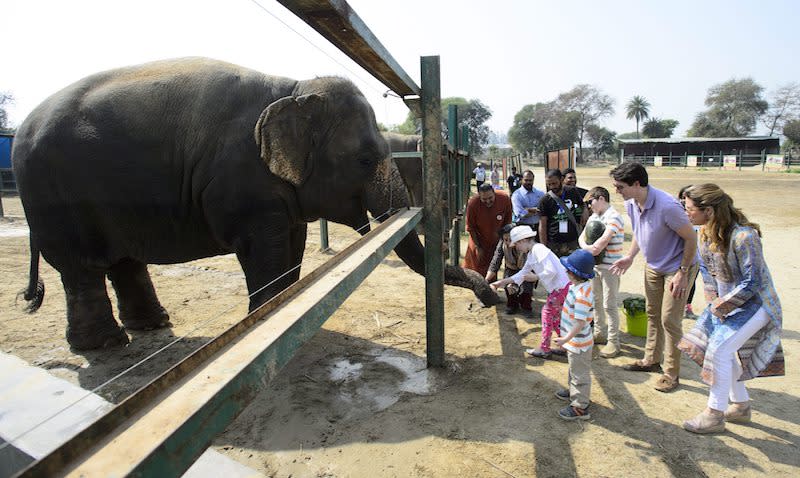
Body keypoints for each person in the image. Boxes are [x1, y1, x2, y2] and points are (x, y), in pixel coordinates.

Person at [678, 183, 784, 434]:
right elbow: (707, 272)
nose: (687, 213)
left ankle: (714, 414)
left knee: (719, 350)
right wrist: (713, 300)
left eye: (690, 209)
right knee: (723, 350)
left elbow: (753, 282)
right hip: (725, 305)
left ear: (710, 211)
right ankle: (741, 405)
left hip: (756, 305)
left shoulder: (745, 237)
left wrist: (722, 306)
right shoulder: (703, 233)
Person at [608, 162, 698, 393]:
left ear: (637, 184)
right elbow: (640, 232)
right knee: (652, 312)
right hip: (654, 266)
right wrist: (629, 256)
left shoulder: (668, 206)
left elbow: (691, 239)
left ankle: (671, 373)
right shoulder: (631, 203)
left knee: (669, 319)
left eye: (620, 187)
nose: (617, 191)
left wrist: (683, 272)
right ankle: (650, 360)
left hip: (677, 268)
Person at [489, 225, 571, 359]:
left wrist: (536, 277)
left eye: (516, 244)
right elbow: (521, 274)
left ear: (522, 241)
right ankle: (564, 345)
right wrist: (500, 283)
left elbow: (551, 271)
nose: (516, 247)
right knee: (554, 317)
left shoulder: (539, 249)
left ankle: (544, 348)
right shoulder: (532, 253)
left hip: (560, 287)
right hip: (559, 288)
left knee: (547, 313)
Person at [578, 186, 625, 358]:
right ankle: (600, 332)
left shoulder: (614, 217)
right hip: (596, 266)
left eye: (591, 202)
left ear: (601, 198)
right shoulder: (594, 217)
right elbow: (581, 238)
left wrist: (589, 249)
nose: (589, 206)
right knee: (596, 301)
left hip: (610, 268)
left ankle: (614, 341)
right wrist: (589, 248)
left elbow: (602, 243)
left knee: (609, 304)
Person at [553, 249, 596, 421]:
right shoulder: (577, 287)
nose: (565, 271)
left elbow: (580, 322)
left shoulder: (582, 295)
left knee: (580, 374)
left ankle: (580, 406)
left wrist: (565, 338)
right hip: (574, 343)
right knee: (574, 368)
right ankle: (573, 391)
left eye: (567, 269)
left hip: (579, 343)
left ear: (573, 273)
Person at [464, 183, 513, 277]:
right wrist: (478, 247)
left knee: (493, 265)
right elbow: (471, 228)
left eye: (490, 198)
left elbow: (508, 222)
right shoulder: (473, 203)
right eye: (484, 199)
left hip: (497, 240)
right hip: (479, 240)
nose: (488, 201)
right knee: (477, 267)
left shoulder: (504, 199)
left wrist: (504, 240)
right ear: (479, 196)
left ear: (494, 193)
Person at [486, 223, 535, 314]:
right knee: (508, 287)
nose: (509, 243)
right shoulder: (502, 245)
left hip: (526, 268)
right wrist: (486, 280)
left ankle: (526, 307)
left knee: (526, 288)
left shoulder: (527, 245)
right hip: (511, 268)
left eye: (511, 239)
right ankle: (512, 305)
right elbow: (495, 262)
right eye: (506, 240)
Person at [538, 169, 588, 257]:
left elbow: (582, 204)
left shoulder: (572, 191)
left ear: (561, 179)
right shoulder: (545, 200)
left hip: (573, 241)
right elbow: (542, 225)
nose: (552, 187)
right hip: (554, 243)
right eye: (549, 184)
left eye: (554, 183)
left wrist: (585, 212)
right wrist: (543, 247)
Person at [678, 185, 700, 319]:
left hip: (696, 257)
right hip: (680, 257)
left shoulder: (698, 217)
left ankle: (687, 306)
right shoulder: (678, 215)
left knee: (692, 283)